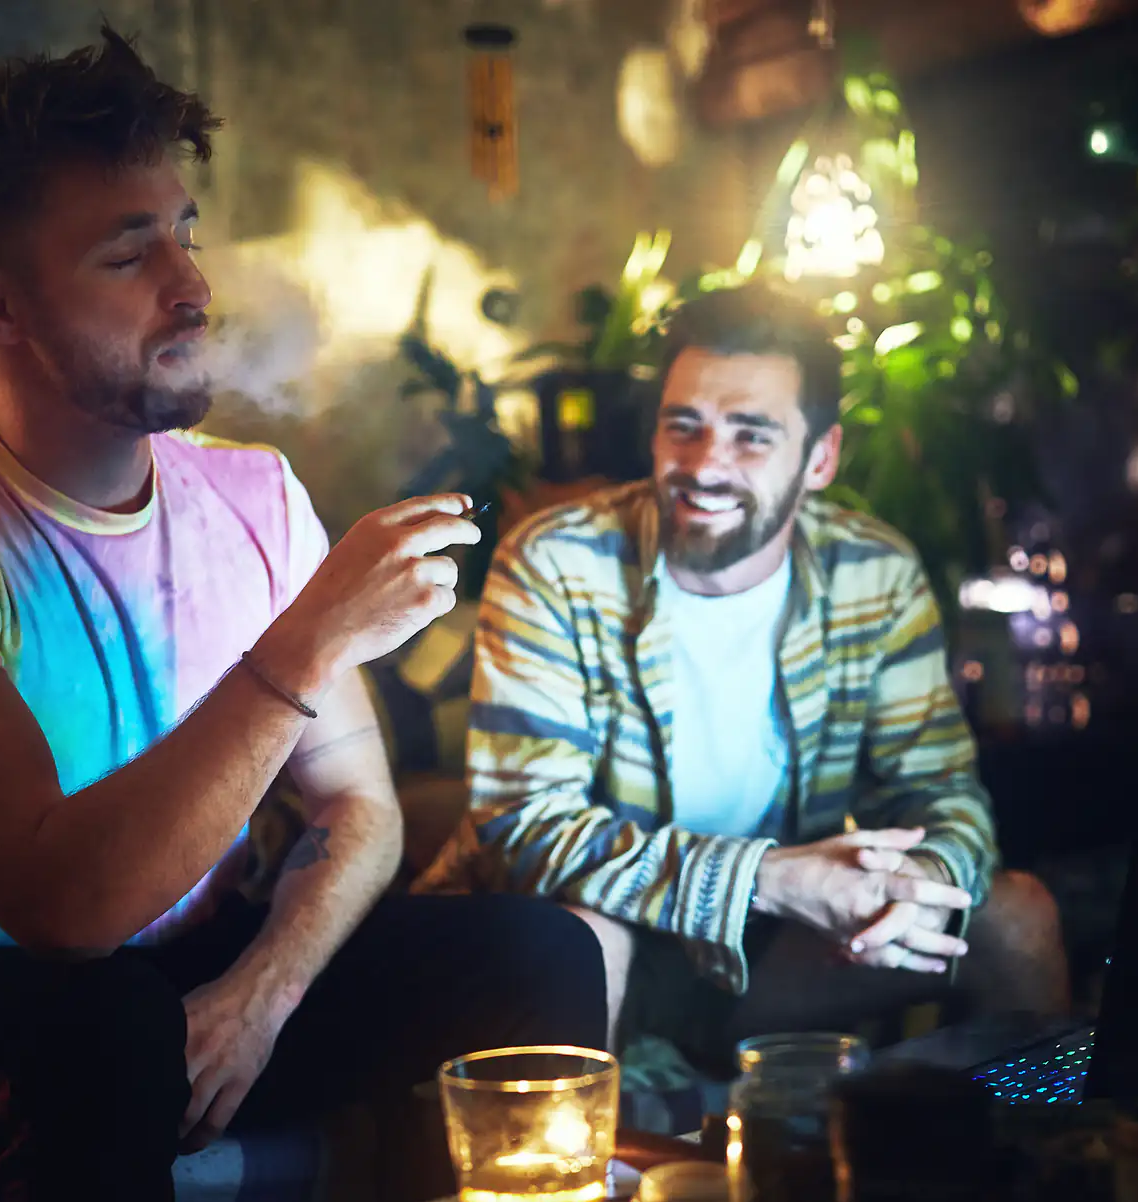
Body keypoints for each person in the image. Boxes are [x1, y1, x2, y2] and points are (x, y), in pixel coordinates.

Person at [0, 28, 604, 1202]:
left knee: (534, 952)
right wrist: (305, 639)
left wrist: (260, 992)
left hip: (187, 982)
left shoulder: (258, 496)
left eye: (186, 232)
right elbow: (64, 906)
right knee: (103, 1017)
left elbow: (361, 808)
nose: (191, 287)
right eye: (128, 252)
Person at [415, 286, 1066, 1070]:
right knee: (589, 936)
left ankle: (1030, 1173)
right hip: (594, 938)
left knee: (1017, 916)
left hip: (770, 956)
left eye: (751, 435)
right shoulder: (556, 561)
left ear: (819, 458)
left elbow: (940, 794)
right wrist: (767, 878)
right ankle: (580, 1184)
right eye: (681, 425)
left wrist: (911, 881)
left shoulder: (875, 573)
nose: (703, 465)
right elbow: (525, 828)